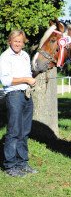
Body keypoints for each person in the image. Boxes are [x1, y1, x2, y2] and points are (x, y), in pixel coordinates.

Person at [0, 30, 37, 177]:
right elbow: (6, 81)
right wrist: (26, 80)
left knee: (25, 131)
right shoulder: (4, 57)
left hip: (26, 95)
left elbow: (28, 74)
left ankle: (23, 163)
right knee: (14, 131)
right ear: (10, 41)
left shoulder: (25, 56)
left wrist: (31, 81)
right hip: (14, 96)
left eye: (20, 41)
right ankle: (10, 165)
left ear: (23, 43)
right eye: (15, 41)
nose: (17, 44)